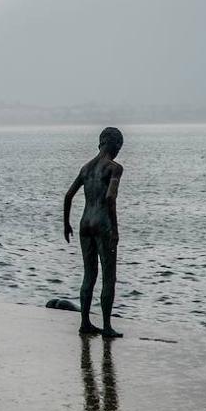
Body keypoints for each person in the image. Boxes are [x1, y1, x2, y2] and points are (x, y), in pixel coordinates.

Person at [63, 127, 125, 338]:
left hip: (84, 223)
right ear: (115, 145)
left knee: (89, 275)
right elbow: (110, 198)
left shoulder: (86, 168)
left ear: (100, 143)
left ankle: (85, 322)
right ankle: (107, 326)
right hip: (102, 223)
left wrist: (66, 224)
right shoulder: (114, 168)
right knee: (109, 276)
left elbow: (68, 196)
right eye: (119, 147)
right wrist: (114, 229)